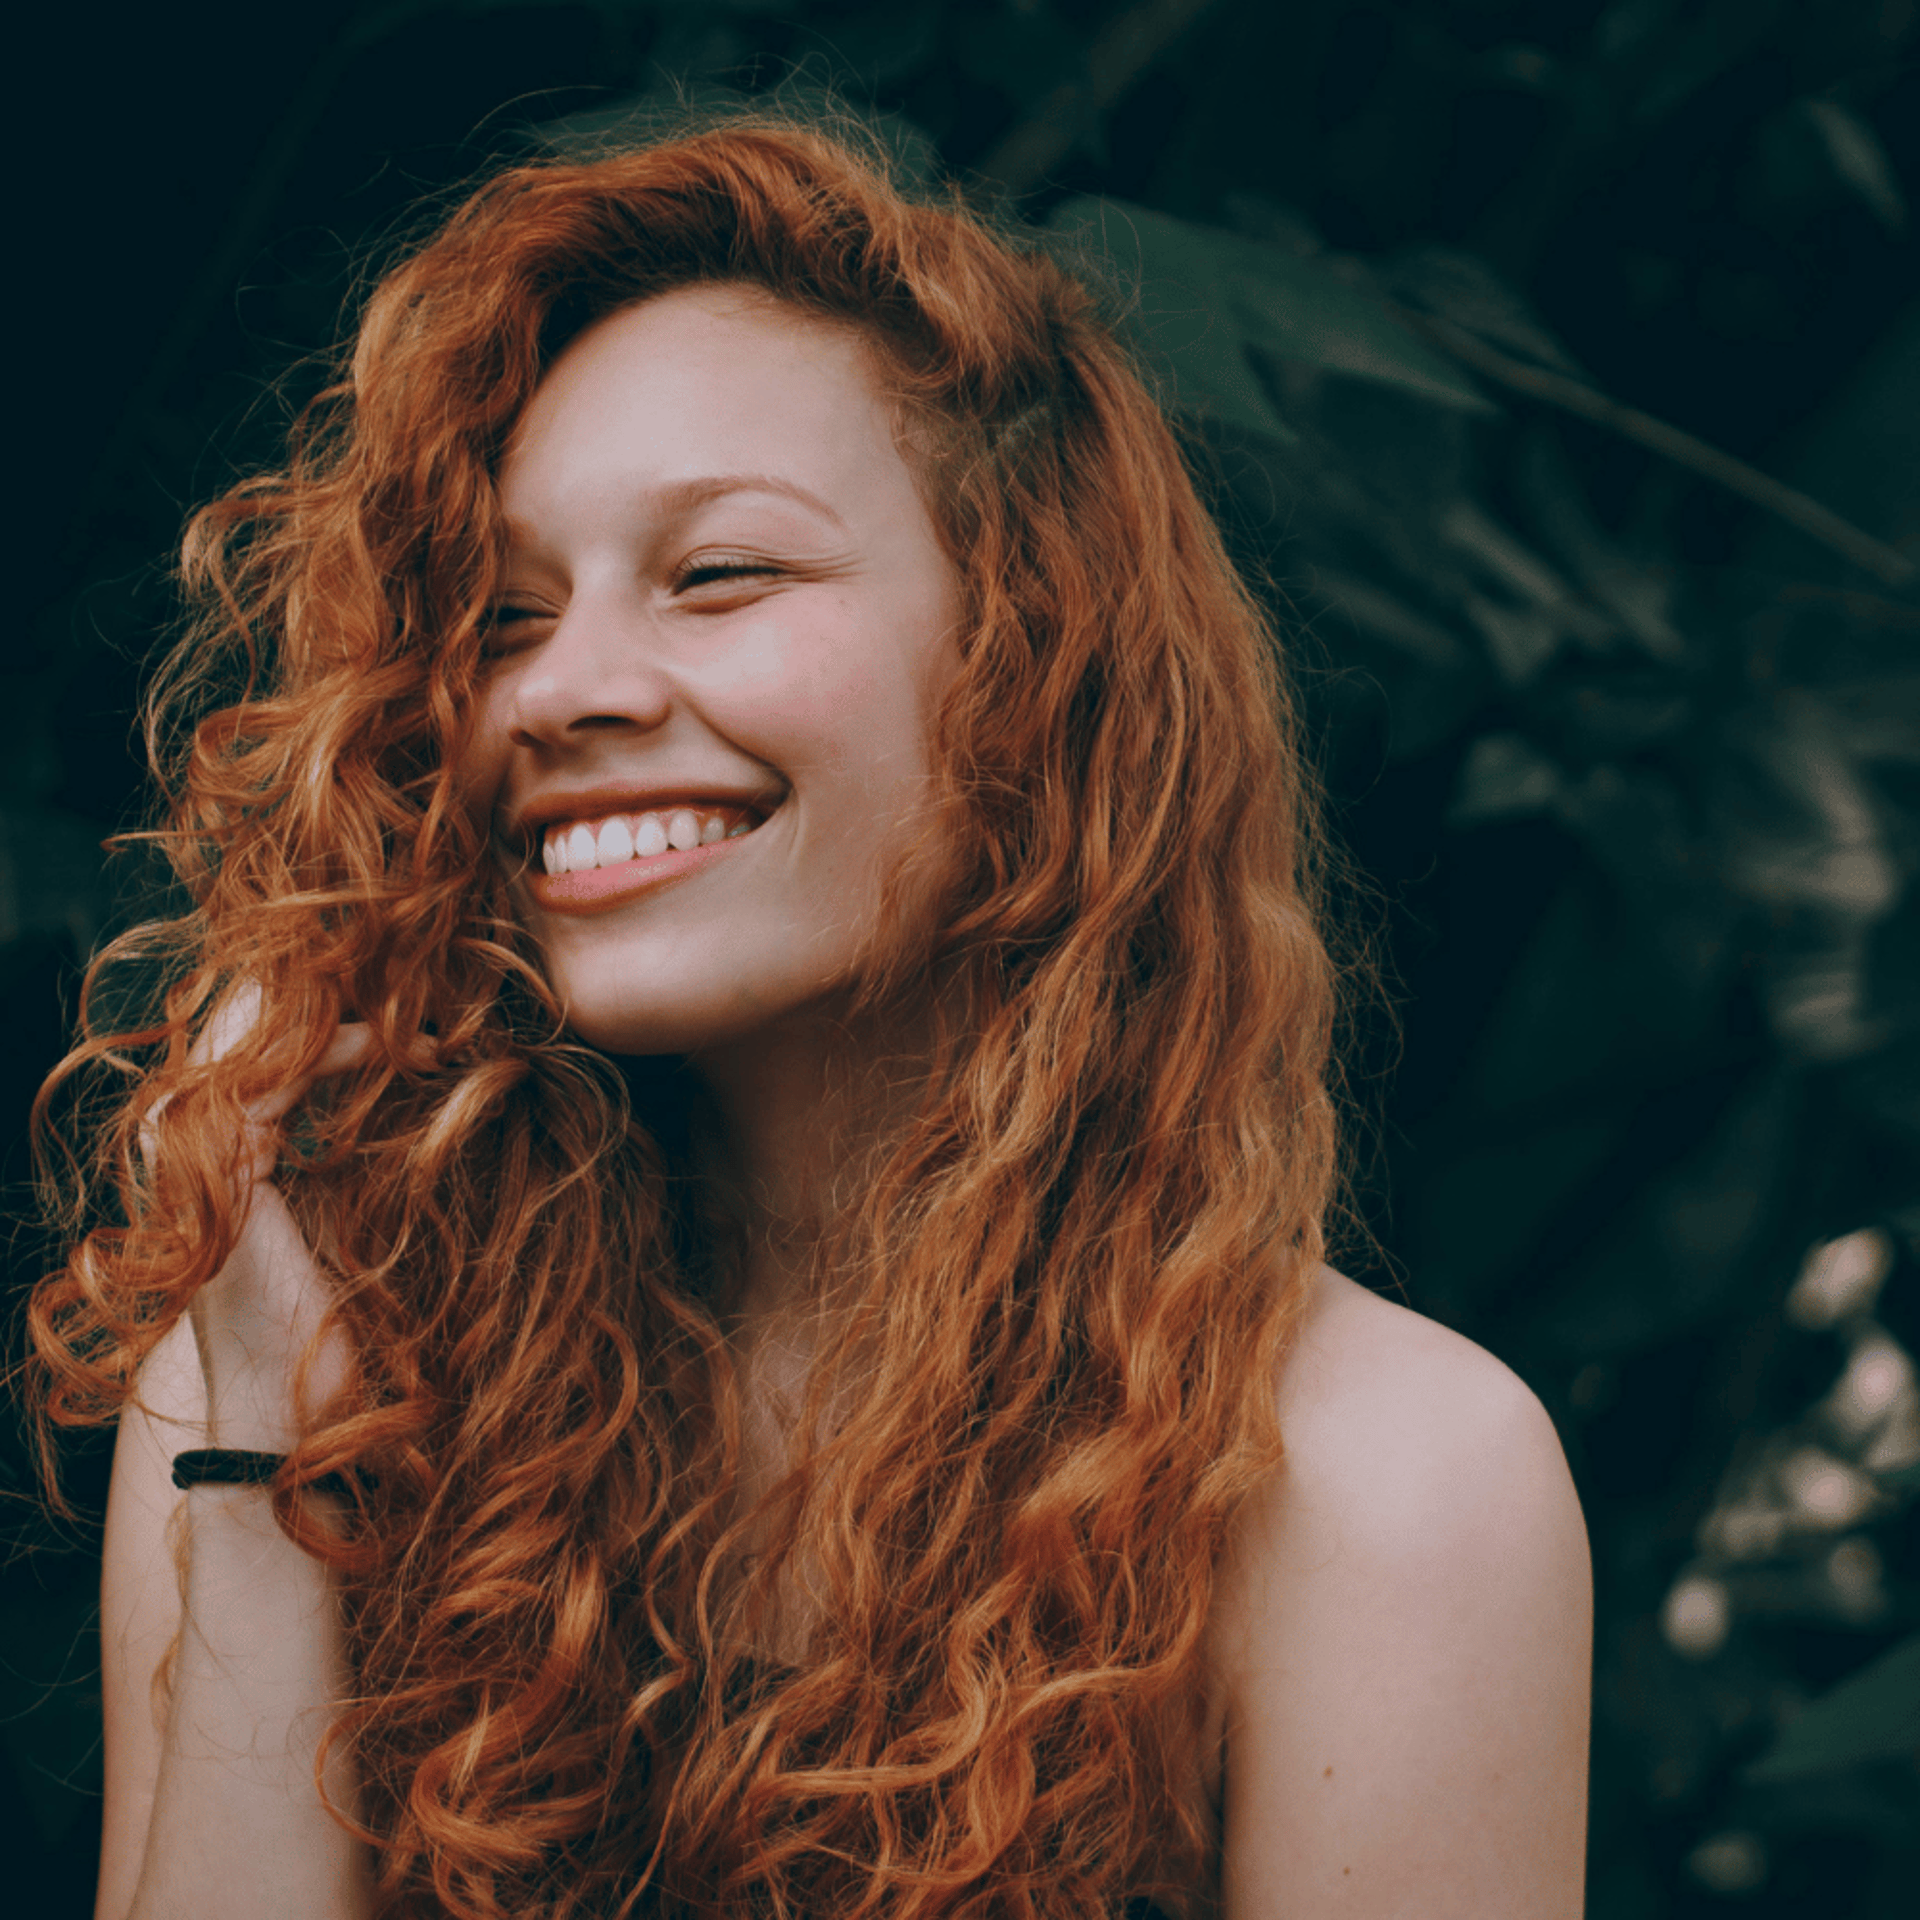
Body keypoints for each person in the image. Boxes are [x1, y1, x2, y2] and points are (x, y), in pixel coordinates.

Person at [31, 119, 1591, 1920]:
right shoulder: (279, 1382)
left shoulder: (1385, 1484)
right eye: (504, 616)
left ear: (1040, 667)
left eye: (720, 575)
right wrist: (260, 1477)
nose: (564, 690)